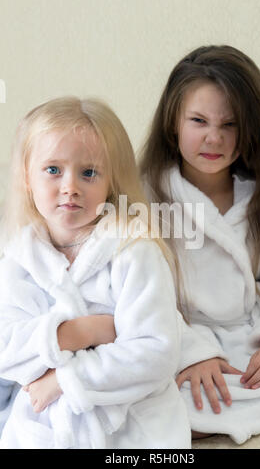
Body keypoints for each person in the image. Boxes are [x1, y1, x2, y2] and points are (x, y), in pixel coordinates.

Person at [0, 96, 191, 449]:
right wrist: (78, 332)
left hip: (133, 426)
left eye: (88, 173)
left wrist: (65, 379)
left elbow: (155, 353)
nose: (70, 186)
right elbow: (6, 351)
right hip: (43, 425)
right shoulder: (18, 259)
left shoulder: (133, 252)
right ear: (27, 176)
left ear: (111, 181)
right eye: (53, 170)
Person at [139, 45, 260, 444]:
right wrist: (194, 353)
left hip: (247, 336)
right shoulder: (145, 196)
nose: (214, 137)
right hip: (176, 338)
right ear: (172, 123)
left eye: (230, 125)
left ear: (250, 130)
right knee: (143, 400)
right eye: (198, 120)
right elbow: (140, 296)